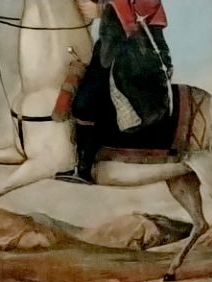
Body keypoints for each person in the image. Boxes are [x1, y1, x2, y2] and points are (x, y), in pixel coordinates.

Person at [61, 0, 174, 185]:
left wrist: (103, 10)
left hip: (138, 50)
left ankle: (84, 168)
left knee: (86, 101)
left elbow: (146, 6)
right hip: (111, 45)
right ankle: (80, 164)